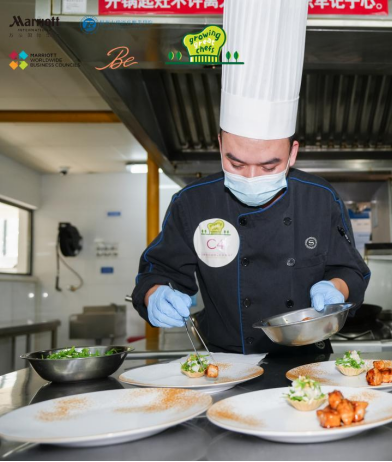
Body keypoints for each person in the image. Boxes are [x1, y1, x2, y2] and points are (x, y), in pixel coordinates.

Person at [130, 0, 370, 355]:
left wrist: (336, 287)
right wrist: (156, 294)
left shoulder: (319, 199)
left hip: (307, 361)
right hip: (224, 365)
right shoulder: (193, 203)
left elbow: (351, 270)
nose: (252, 178)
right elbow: (158, 271)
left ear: (292, 153)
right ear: (220, 146)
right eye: (237, 163)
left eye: (269, 166)